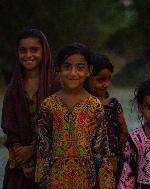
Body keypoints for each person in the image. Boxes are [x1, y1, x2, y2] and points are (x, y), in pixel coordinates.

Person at [35, 43, 115, 189]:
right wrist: (42, 181)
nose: (73, 73)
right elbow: (43, 148)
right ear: (57, 69)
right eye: (67, 67)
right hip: (55, 180)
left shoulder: (94, 106)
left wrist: (106, 183)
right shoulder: (48, 105)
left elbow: (101, 150)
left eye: (80, 67)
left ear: (89, 70)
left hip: (86, 179)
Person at [1, 28, 59, 189]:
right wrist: (23, 158)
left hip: (51, 163)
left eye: (34, 50)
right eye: (23, 50)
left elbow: (58, 127)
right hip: (20, 166)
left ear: (44, 51)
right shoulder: (13, 88)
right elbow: (9, 127)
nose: (28, 55)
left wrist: (33, 149)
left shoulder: (56, 85)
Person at [86, 52, 128, 182]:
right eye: (100, 80)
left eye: (108, 79)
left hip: (112, 163)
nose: (106, 84)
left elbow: (124, 132)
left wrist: (117, 156)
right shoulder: (80, 106)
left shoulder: (113, 105)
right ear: (86, 77)